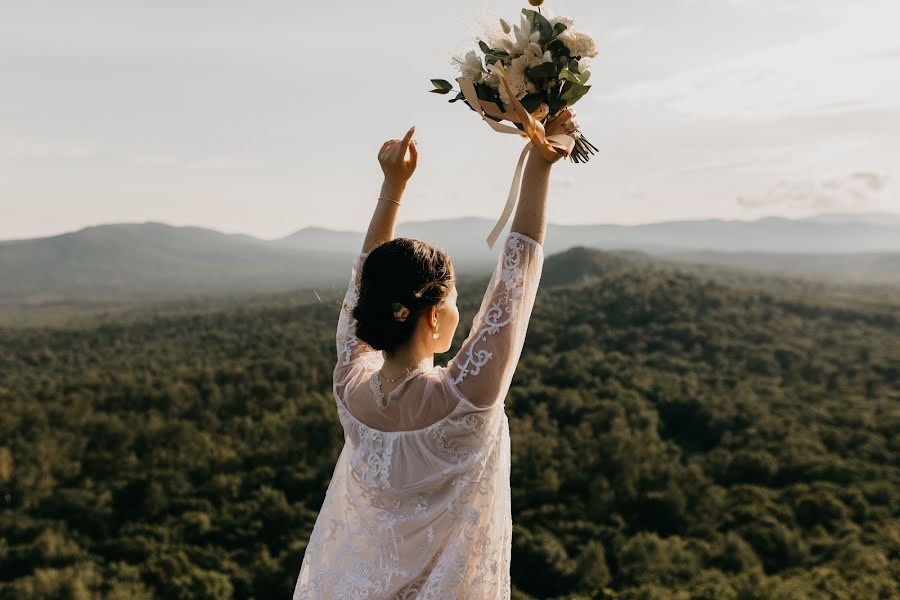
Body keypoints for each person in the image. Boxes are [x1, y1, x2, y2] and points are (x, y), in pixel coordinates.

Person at [293, 109, 577, 599]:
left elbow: (365, 283)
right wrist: (540, 166)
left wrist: (392, 187)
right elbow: (516, 284)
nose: (461, 312)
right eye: (454, 303)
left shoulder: (349, 385)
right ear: (431, 316)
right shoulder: (465, 398)